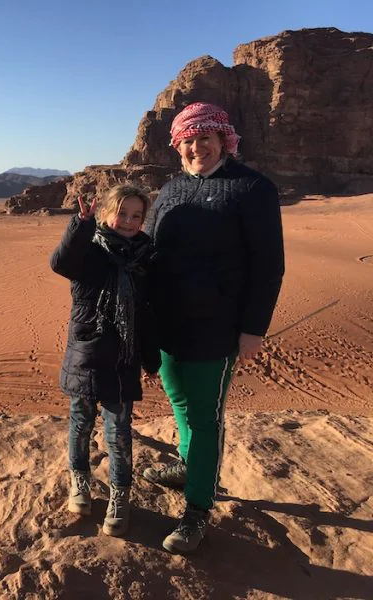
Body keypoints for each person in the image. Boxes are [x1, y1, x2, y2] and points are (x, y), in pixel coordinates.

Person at [142, 102, 285, 553]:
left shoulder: (252, 188)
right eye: (187, 139)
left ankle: (197, 510)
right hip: (168, 323)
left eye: (205, 137)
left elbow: (269, 265)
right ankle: (188, 465)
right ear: (177, 145)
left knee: (204, 417)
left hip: (217, 327)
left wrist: (253, 329)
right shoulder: (171, 190)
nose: (196, 146)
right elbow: (149, 252)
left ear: (224, 139)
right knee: (179, 400)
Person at [50, 184, 161, 537]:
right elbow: (61, 262)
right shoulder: (90, 252)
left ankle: (118, 496)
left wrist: (152, 360)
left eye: (136, 215)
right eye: (122, 213)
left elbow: (147, 314)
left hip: (123, 361)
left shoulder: (145, 259)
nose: (128, 221)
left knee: (119, 434)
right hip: (86, 353)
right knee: (80, 424)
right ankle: (79, 482)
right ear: (107, 213)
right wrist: (81, 224)